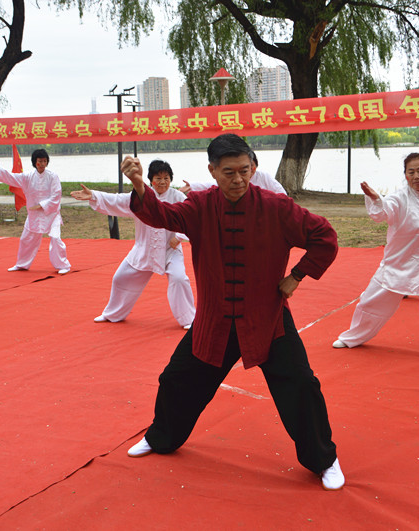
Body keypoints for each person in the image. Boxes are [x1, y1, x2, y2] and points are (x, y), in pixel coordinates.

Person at [120, 133, 345, 491]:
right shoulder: (199, 206)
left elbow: (325, 237)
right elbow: (164, 215)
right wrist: (138, 185)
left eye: (244, 170)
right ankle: (160, 437)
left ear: (253, 167)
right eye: (229, 172)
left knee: (302, 385)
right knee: (176, 379)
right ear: (212, 171)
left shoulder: (277, 207)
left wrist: (297, 275)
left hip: (267, 318)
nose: (238, 179)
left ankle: (324, 460)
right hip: (215, 318)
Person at [333, 153, 419, 360]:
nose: (416, 176)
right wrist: (376, 199)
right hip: (399, 264)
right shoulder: (400, 197)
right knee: (370, 302)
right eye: (411, 172)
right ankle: (353, 337)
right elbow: (384, 212)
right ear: (405, 175)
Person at [70, 159, 195, 328]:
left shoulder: (177, 197)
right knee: (120, 278)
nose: (162, 182)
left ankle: (189, 319)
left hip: (170, 250)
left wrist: (178, 237)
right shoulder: (142, 196)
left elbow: (190, 216)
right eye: (158, 178)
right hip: (144, 249)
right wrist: (93, 195)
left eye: (166, 178)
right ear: (150, 180)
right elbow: (117, 200)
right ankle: (113, 314)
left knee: (179, 278)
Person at [0, 149, 71, 274]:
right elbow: (14, 178)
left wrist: (42, 205)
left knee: (55, 238)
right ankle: (22, 264)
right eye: (40, 161)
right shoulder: (28, 176)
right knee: (26, 239)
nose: (42, 164)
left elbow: (56, 195)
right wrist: (0, 171)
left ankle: (63, 265)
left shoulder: (53, 176)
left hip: (51, 214)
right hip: (34, 214)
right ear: (35, 162)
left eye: (45, 161)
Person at [180, 151, 287, 195]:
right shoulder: (234, 178)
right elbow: (214, 185)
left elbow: (281, 193)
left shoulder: (263, 177)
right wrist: (192, 186)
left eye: (250, 167)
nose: (239, 179)